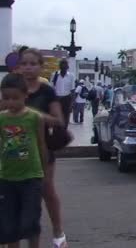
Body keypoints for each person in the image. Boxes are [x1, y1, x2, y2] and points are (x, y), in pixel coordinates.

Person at [18, 49, 69, 248]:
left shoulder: (46, 90)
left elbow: (58, 120)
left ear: (40, 66)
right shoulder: (13, 88)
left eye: (32, 64)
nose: (28, 67)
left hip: (41, 147)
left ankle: (58, 231)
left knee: (46, 190)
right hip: (15, 149)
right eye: (24, 64)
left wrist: (29, 113)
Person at [0, 73, 48, 248]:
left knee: (30, 223)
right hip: (6, 178)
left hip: (31, 178)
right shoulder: (1, 118)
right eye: (6, 98)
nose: (11, 102)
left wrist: (44, 173)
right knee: (9, 225)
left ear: (25, 95)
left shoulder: (35, 118)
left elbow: (42, 145)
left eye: (15, 98)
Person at [51, 59, 75, 128]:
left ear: (67, 67)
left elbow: (72, 90)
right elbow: (51, 88)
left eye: (65, 65)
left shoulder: (71, 76)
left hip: (66, 99)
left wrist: (72, 104)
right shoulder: (54, 75)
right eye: (62, 65)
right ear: (59, 66)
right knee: (56, 118)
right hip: (56, 99)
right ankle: (56, 134)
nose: (64, 67)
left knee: (66, 119)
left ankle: (64, 133)